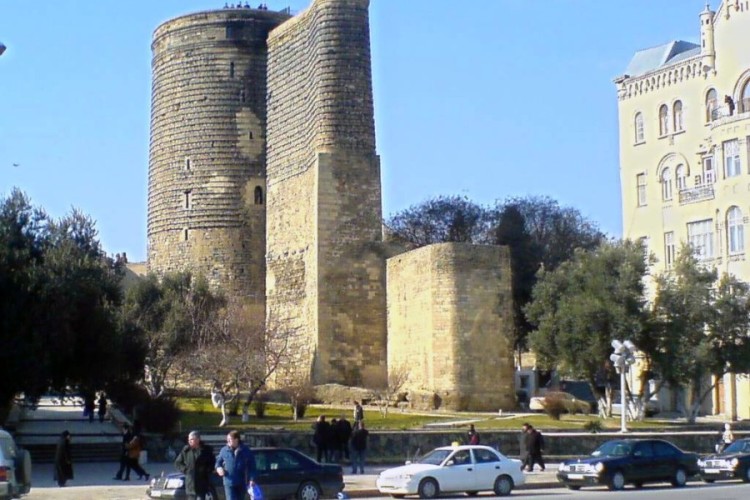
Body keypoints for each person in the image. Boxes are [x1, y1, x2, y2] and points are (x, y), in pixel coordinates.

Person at [215, 430, 256, 500]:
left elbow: (252, 466)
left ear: (236, 440)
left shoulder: (245, 450)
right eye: (227, 439)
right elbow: (218, 463)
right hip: (229, 482)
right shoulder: (224, 450)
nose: (228, 441)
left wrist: (252, 479)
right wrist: (219, 468)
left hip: (241, 482)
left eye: (230, 439)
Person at [175, 430, 216, 500]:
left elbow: (212, 462)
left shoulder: (206, 450)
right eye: (189, 440)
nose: (189, 441)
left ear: (197, 439)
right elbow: (177, 463)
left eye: (191, 439)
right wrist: (185, 470)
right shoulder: (186, 450)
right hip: (190, 483)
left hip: (202, 482)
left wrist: (207, 470)